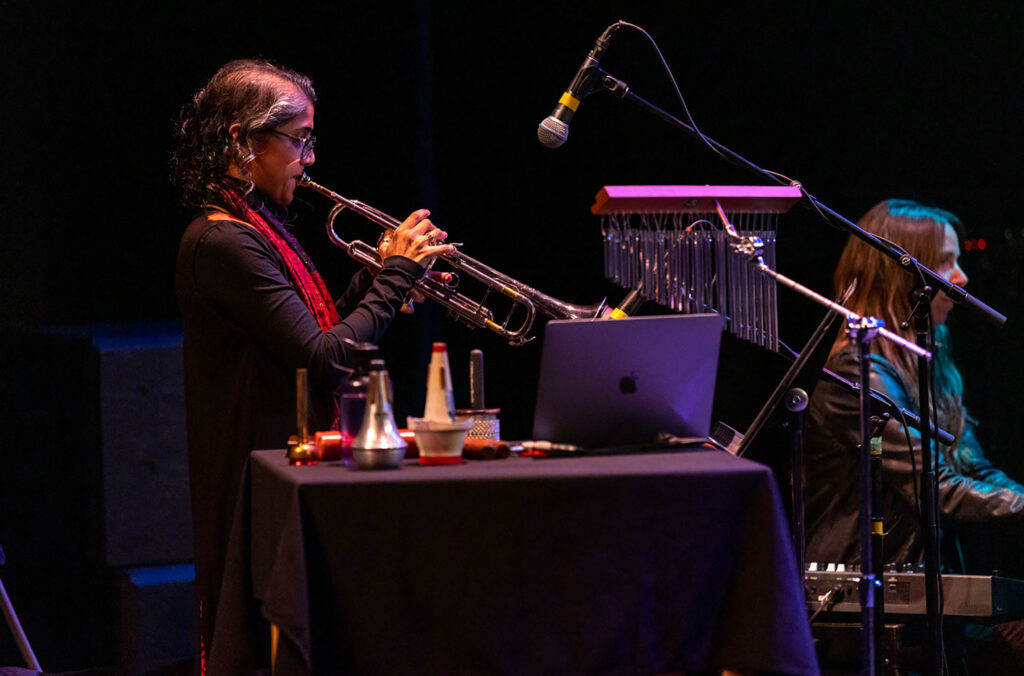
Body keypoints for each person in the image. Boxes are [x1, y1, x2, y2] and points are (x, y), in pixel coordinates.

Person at [172, 59, 453, 669]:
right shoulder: (223, 240)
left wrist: (381, 279)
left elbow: (314, 332)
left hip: (287, 463)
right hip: (260, 473)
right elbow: (325, 358)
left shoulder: (258, 227)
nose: (310, 157)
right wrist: (396, 275)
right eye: (299, 139)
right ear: (243, 141)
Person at [803, 198, 1024, 671]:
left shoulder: (928, 360)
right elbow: (937, 489)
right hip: (867, 601)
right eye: (947, 263)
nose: (962, 278)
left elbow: (971, 466)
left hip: (930, 588)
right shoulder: (859, 372)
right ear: (903, 274)